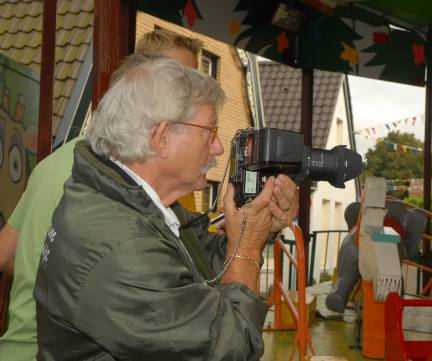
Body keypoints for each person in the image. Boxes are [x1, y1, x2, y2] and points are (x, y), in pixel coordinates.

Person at [33, 53, 298, 360]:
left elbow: (195, 269)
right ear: (162, 137)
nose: (219, 147)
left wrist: (254, 228)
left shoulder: (128, 200)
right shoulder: (123, 247)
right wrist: (248, 247)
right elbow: (228, 345)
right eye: (210, 132)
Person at [0, 28, 204, 361]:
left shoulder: (57, 161)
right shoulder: (124, 175)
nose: (194, 100)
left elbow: (8, 253)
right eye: (182, 86)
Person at [325, 202, 361, 313]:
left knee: (346, 276)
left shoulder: (350, 237)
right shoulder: (354, 237)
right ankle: (339, 294)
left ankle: (339, 293)